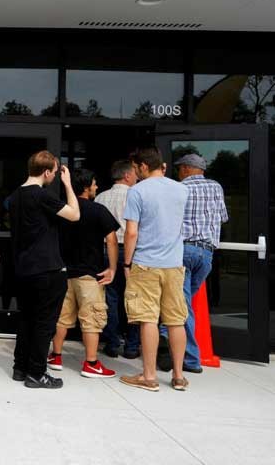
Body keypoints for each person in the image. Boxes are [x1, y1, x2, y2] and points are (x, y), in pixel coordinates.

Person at [119, 147, 190, 392]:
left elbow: (131, 232)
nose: (135, 173)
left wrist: (127, 263)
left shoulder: (137, 191)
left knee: (148, 318)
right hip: (174, 263)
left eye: (136, 168)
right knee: (175, 320)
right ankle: (179, 376)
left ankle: (149, 376)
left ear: (144, 166)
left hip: (146, 262)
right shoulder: (182, 190)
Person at [8, 150, 79, 389]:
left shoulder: (16, 196)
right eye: (55, 172)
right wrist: (68, 185)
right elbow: (74, 214)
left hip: (24, 269)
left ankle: (20, 367)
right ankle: (37, 372)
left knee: (26, 319)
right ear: (47, 172)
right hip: (48, 269)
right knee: (44, 323)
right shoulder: (42, 195)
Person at [158, 153, 228, 374]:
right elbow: (223, 217)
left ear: (187, 169)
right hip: (206, 254)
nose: (179, 173)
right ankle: (168, 338)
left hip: (183, 250)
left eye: (180, 169)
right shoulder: (216, 187)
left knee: (181, 305)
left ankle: (188, 357)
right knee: (182, 303)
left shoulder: (179, 189)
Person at [47, 168, 119, 379]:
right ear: (87, 187)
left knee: (62, 317)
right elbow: (112, 240)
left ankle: (56, 356)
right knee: (91, 319)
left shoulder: (62, 210)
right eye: (95, 184)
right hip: (90, 274)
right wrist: (113, 268)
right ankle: (91, 363)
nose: (97, 187)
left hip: (64, 272)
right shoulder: (98, 210)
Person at [96, 160, 141, 360]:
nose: (138, 177)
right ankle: (132, 347)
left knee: (110, 297)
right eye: (135, 174)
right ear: (127, 176)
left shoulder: (100, 197)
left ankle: (112, 343)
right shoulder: (136, 195)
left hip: (107, 250)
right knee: (133, 298)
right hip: (132, 251)